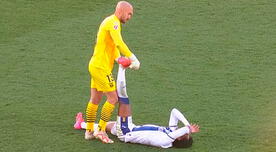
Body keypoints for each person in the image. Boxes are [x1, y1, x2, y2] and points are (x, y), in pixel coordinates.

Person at [75, 66, 200, 148]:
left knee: (123, 99)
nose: (183, 130)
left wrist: (188, 129)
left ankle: (121, 68)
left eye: (184, 135)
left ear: (178, 140)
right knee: (108, 125)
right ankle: (81, 125)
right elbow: (174, 111)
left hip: (127, 131)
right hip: (131, 128)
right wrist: (187, 124)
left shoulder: (166, 141)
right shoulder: (172, 132)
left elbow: (182, 130)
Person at [84, 1, 140, 144]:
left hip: (95, 65)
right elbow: (119, 42)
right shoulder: (114, 23)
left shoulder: (110, 21)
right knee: (113, 98)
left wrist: (118, 58)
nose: (129, 17)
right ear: (121, 10)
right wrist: (134, 59)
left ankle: (89, 130)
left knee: (95, 99)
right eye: (129, 14)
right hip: (101, 67)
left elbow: (113, 45)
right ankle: (100, 130)